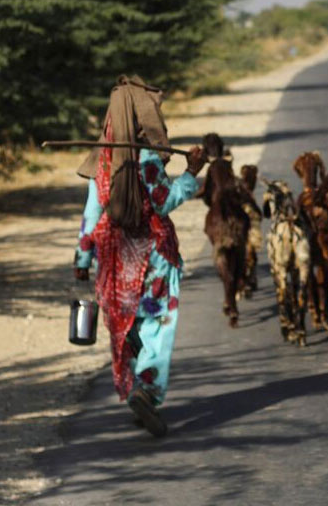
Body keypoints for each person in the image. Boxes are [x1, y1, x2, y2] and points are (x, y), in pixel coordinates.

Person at [73, 75, 206, 437]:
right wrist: (192, 173)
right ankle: (147, 389)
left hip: (114, 258)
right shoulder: (147, 157)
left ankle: (134, 389)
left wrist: (82, 260)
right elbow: (164, 201)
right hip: (153, 256)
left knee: (126, 326)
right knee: (157, 323)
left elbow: (91, 213)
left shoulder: (101, 160)